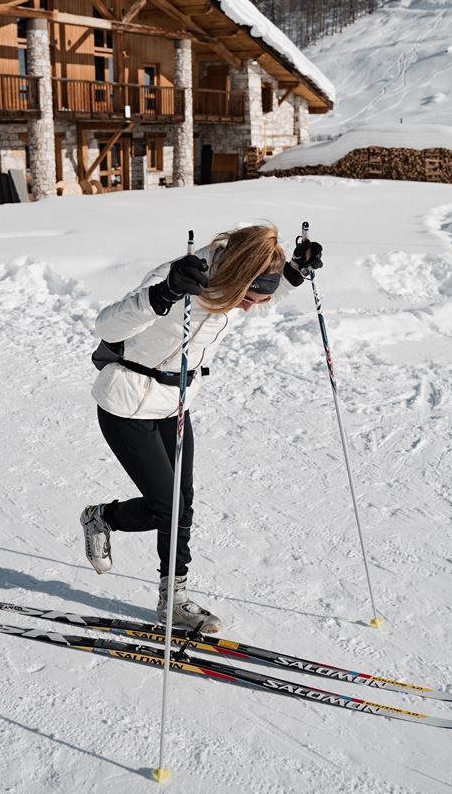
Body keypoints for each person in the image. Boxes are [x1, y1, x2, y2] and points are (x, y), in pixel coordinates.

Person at [80, 224, 323, 632]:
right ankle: (101, 518)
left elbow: (262, 292)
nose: (248, 308)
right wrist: (163, 295)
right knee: (166, 507)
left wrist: (295, 273)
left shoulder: (232, 284)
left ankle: (173, 601)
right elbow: (108, 327)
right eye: (248, 298)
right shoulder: (177, 278)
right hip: (125, 405)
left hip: (174, 405)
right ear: (235, 281)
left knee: (181, 504)